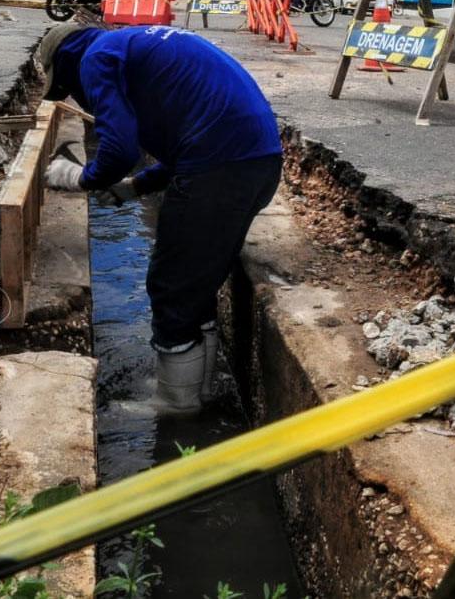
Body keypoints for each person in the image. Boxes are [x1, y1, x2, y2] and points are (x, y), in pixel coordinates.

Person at [38, 24, 282, 414]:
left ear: (66, 62)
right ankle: (197, 387)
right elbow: (188, 139)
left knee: (170, 284)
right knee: (197, 281)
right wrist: (136, 187)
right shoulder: (132, 45)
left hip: (220, 168)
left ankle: (177, 402)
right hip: (256, 161)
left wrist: (78, 177)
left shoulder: (95, 58)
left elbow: (119, 150)